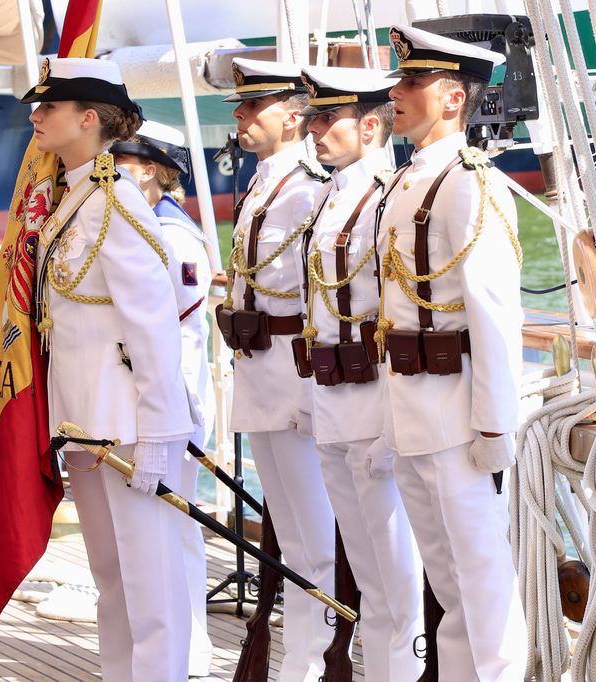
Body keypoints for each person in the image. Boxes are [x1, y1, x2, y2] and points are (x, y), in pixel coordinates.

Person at [23, 57, 194, 681]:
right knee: (111, 580)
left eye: (49, 108)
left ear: (88, 119)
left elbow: (152, 325)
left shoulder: (115, 200)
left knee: (151, 585)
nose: (36, 117)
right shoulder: (76, 196)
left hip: (127, 426)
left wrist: (159, 434)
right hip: (85, 423)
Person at [375, 25, 527, 678]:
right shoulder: (407, 182)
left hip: (457, 417)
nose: (397, 92)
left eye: (413, 82)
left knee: (482, 586)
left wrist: (494, 425)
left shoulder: (472, 184)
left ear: (454, 101)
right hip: (412, 413)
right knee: (450, 586)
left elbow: (495, 315)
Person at [299, 65, 423, 680]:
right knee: (368, 578)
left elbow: (401, 314)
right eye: (313, 116)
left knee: (398, 576)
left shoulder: (390, 198)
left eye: (326, 118)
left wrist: (395, 427)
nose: (312, 128)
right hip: (332, 399)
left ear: (371, 125)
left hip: (376, 403)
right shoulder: (331, 196)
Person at [222, 57, 335, 680]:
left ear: (293, 116)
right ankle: (301, 661)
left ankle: (314, 665)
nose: (238, 113)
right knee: (288, 538)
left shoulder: (312, 188)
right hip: (260, 373)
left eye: (252, 104)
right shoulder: (265, 184)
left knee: (314, 541)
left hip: (296, 378)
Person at [110, 120, 214, 678]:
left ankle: (190, 648)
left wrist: (175, 412)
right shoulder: (146, 224)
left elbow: (177, 332)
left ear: (147, 168)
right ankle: (187, 646)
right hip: (155, 401)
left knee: (173, 530)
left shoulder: (172, 235)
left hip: (175, 403)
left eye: (119, 158)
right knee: (169, 532)